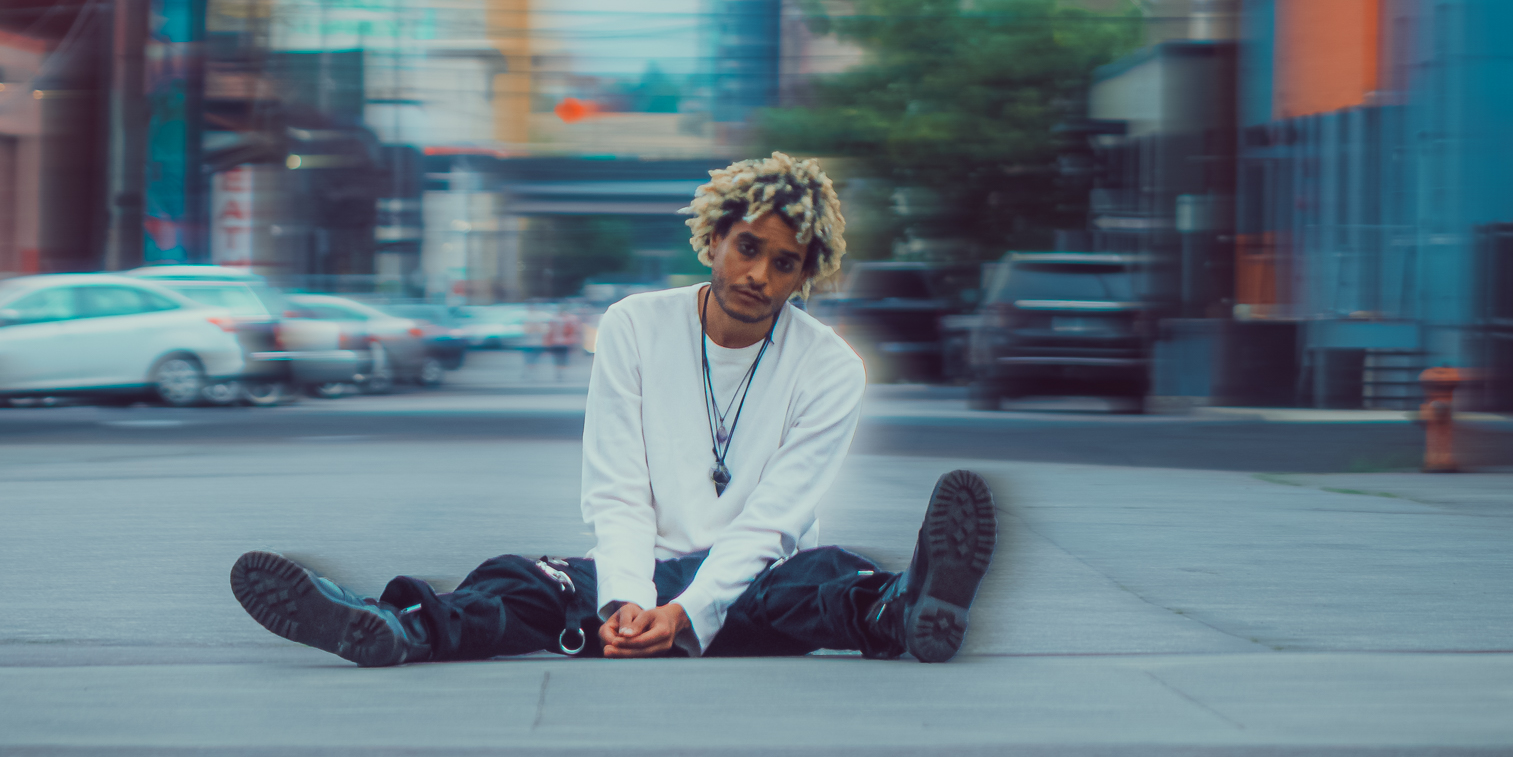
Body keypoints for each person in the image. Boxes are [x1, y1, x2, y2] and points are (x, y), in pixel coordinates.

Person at [228, 151, 995, 665]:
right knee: (519, 580)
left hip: (754, 588)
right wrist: (630, 601)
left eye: (784, 262)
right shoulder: (635, 324)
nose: (759, 273)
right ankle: (390, 628)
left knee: (825, 575)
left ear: (806, 275)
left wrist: (688, 615)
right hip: (631, 579)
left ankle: (914, 607)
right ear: (714, 237)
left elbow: (773, 521)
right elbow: (617, 488)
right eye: (748, 246)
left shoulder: (830, 367)